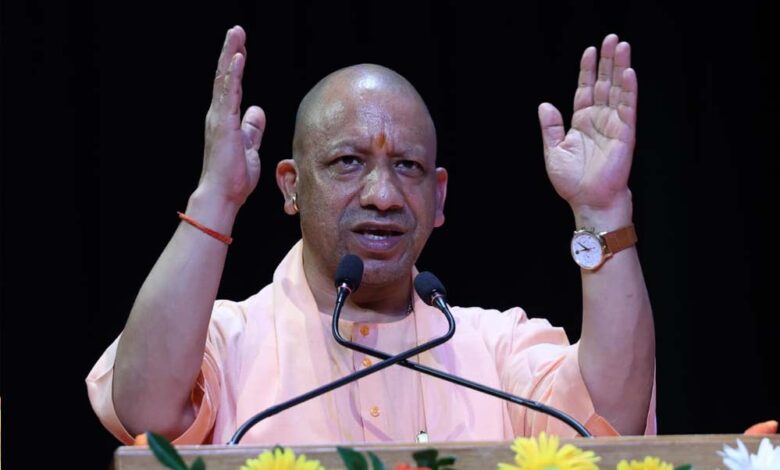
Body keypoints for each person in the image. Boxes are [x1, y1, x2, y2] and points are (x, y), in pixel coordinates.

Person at [87, 25, 656, 445]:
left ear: (439, 197)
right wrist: (216, 198)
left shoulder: (494, 349)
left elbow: (609, 426)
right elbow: (147, 413)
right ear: (291, 186)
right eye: (348, 162)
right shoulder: (225, 341)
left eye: (407, 166)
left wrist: (602, 209)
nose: (383, 195)